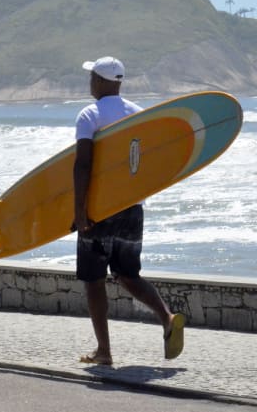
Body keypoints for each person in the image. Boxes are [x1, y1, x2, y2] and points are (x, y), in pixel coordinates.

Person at [73, 55, 185, 366]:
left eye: (92, 76)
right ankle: (167, 317)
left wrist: (79, 210)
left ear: (100, 80)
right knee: (128, 274)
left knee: (94, 280)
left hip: (99, 211)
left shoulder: (89, 115)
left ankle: (104, 351)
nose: (90, 82)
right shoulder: (139, 114)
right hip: (132, 209)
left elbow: (83, 163)